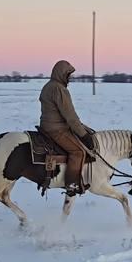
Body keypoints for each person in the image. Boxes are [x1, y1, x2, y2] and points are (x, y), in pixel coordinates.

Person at [39, 60, 94, 196]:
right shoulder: (59, 89)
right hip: (56, 129)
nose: (70, 78)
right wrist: (84, 135)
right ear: (62, 74)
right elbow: (70, 117)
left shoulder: (48, 86)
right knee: (78, 152)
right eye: (69, 75)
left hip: (46, 126)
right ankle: (72, 184)